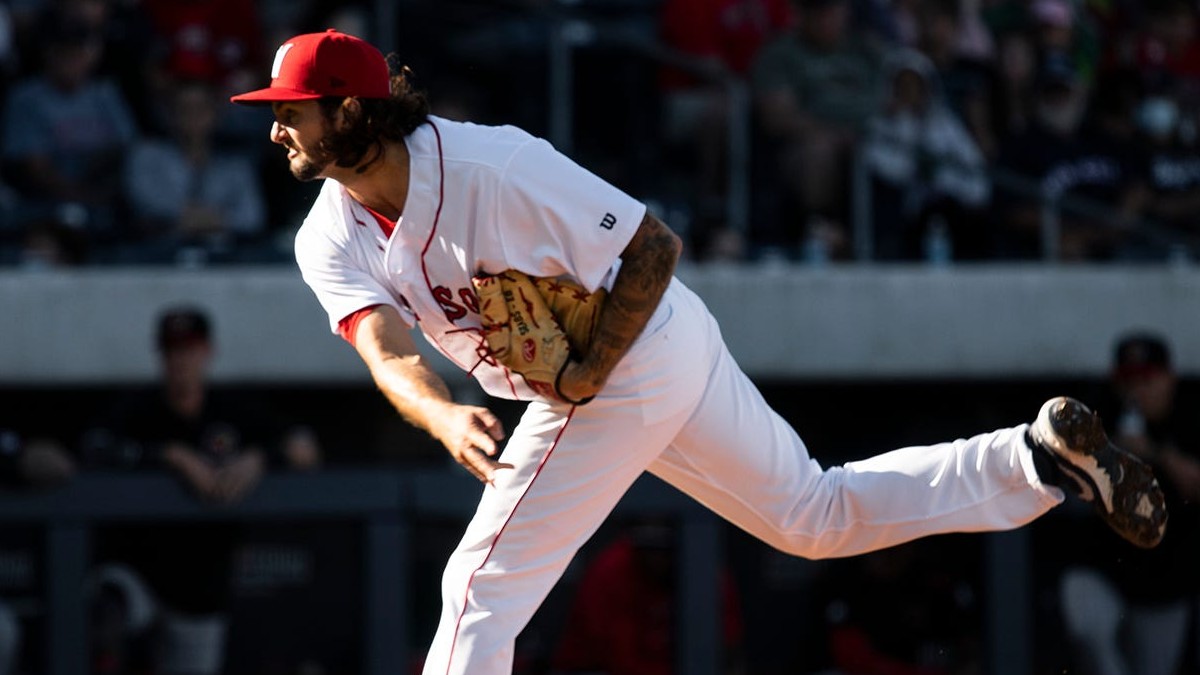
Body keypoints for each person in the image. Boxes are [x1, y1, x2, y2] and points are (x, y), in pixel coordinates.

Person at [230, 30, 1167, 675]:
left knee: (477, 583)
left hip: (627, 354)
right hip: (624, 367)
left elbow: (652, 248)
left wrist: (590, 371)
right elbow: (384, 343)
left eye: (294, 109)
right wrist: (439, 410)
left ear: (352, 110)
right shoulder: (328, 233)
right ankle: (1035, 459)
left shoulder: (491, 163)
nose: (276, 126)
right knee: (813, 514)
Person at [84, 305, 320, 675]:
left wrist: (258, 459)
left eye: (189, 349)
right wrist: (170, 455)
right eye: (172, 350)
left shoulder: (231, 409)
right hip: (139, 572)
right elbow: (94, 447)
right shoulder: (139, 408)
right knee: (105, 605)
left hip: (200, 586)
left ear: (207, 352)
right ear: (160, 354)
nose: (181, 360)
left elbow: (304, 447)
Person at [1056, 333, 1200, 675]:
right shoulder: (1103, 410)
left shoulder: (1190, 414)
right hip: (1107, 571)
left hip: (1167, 581)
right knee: (1086, 615)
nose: (1138, 391)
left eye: (1148, 380)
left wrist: (1152, 452)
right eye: (1129, 381)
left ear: (1169, 379)